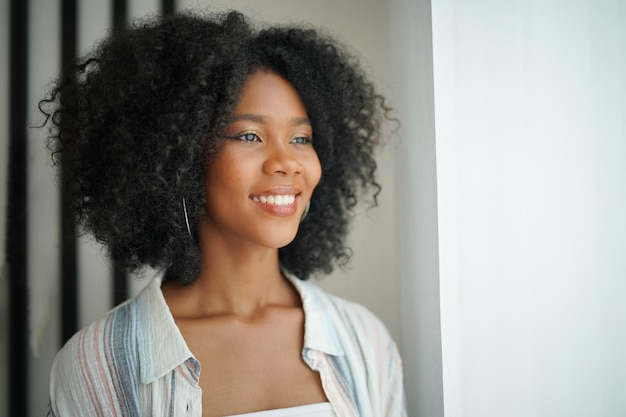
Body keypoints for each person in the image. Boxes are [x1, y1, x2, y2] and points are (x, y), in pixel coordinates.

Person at [41, 10, 406, 417]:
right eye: (250, 135)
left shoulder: (364, 340)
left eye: (301, 138)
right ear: (181, 157)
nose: (287, 162)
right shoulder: (97, 365)